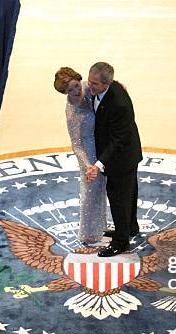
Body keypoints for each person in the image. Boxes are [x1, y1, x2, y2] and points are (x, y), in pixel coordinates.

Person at [85, 62, 142, 257]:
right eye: (89, 81)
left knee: (119, 198)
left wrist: (99, 164)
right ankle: (129, 227)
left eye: (94, 84)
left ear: (106, 84)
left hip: (123, 158)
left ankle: (121, 242)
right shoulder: (108, 88)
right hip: (122, 152)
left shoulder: (119, 104)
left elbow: (118, 140)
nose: (89, 86)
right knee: (128, 194)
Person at [54, 67, 107, 245]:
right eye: (70, 90)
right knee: (91, 192)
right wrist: (87, 165)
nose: (77, 91)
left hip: (104, 143)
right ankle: (89, 234)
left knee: (103, 190)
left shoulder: (88, 86)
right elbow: (76, 144)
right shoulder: (71, 113)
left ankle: (102, 226)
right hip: (89, 152)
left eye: (76, 86)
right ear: (65, 92)